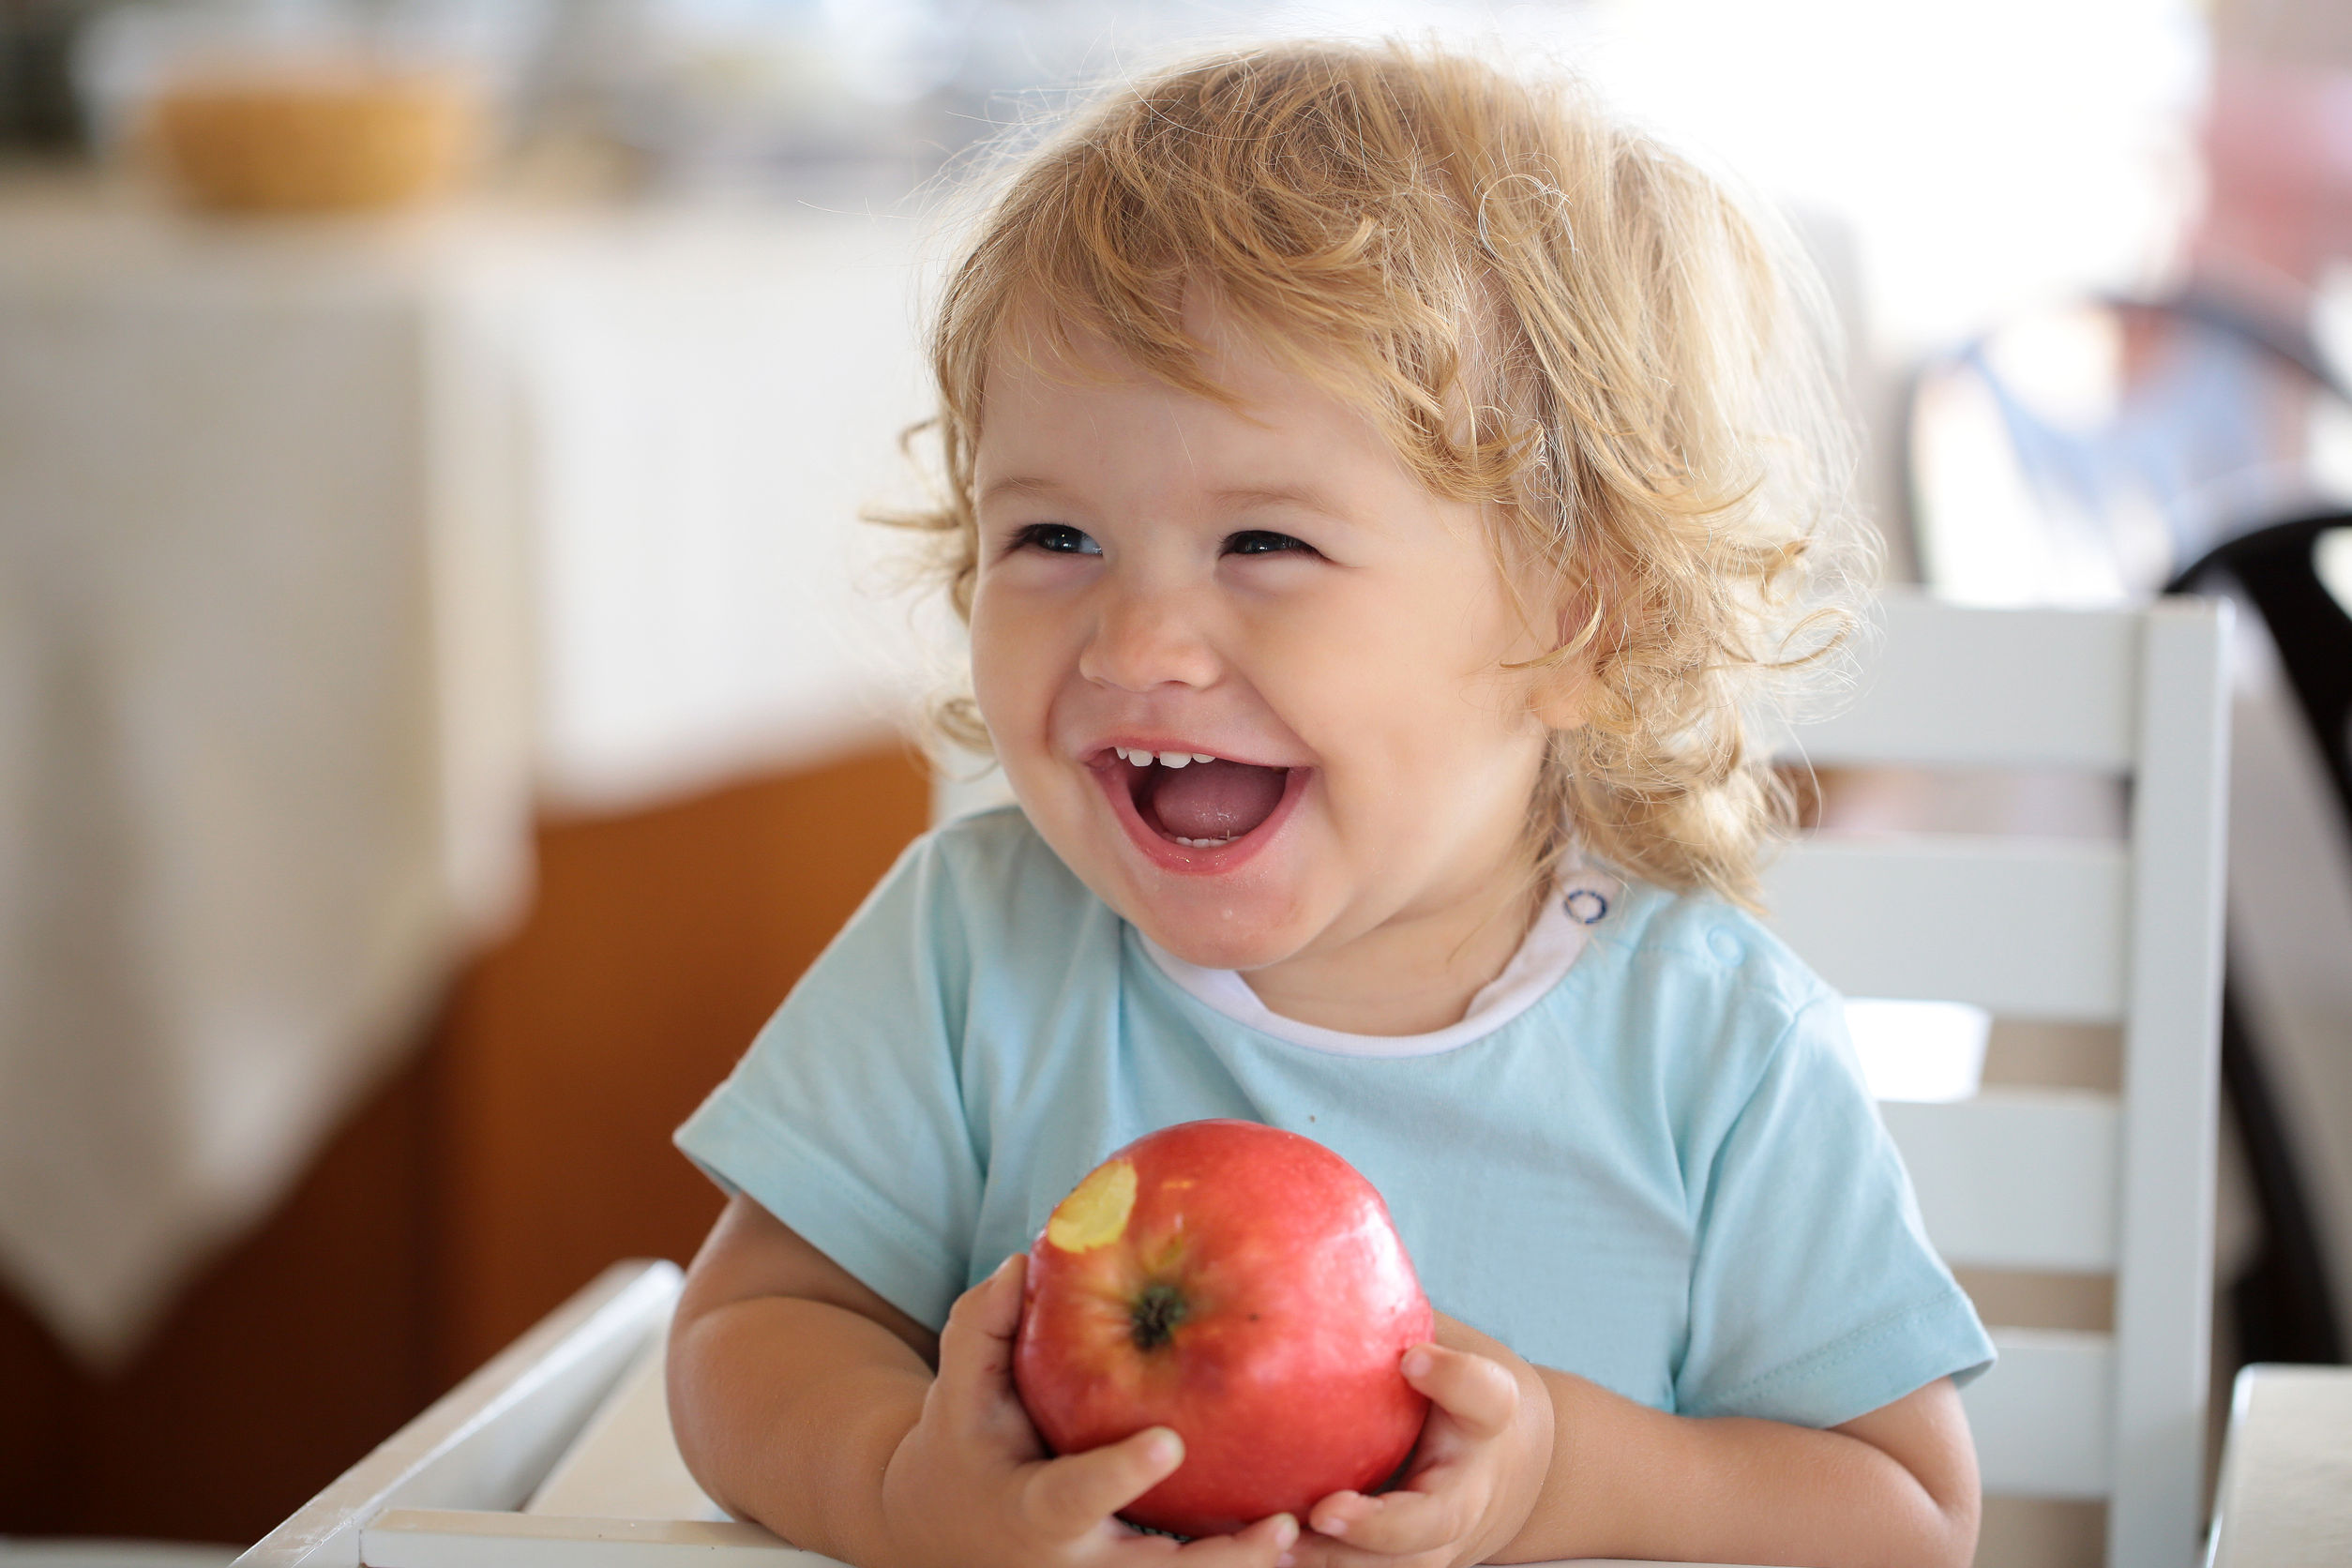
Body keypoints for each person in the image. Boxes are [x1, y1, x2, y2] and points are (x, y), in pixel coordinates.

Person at [665, 40, 1993, 1568]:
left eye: (1263, 544)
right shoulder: (975, 949)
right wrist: (900, 1488)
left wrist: (1557, 1480)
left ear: (1577, 622)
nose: (1137, 645)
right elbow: (751, 1336)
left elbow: (1904, 1518)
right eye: (1053, 535)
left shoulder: (1713, 1045)